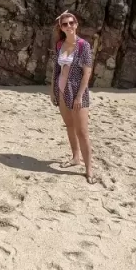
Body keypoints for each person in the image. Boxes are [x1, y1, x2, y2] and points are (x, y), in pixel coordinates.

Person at [50, 10, 96, 183]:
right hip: (62, 90)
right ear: (61, 27)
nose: (68, 26)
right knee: (69, 126)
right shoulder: (59, 44)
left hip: (78, 91)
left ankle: (89, 169)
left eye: (71, 23)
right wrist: (52, 90)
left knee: (82, 131)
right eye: (64, 24)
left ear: (76, 24)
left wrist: (79, 96)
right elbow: (56, 69)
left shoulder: (84, 45)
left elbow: (87, 73)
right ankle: (76, 158)